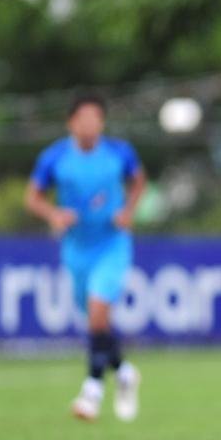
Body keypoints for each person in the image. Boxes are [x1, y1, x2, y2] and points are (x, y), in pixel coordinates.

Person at [25, 93, 145, 422]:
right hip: (76, 249)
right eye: (83, 119)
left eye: (95, 118)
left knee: (96, 313)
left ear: (102, 122)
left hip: (112, 244)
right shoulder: (55, 158)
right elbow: (32, 197)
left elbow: (138, 182)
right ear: (71, 123)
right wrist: (52, 213)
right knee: (98, 323)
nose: (89, 125)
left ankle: (92, 390)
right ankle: (123, 372)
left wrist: (129, 210)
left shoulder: (119, 153)